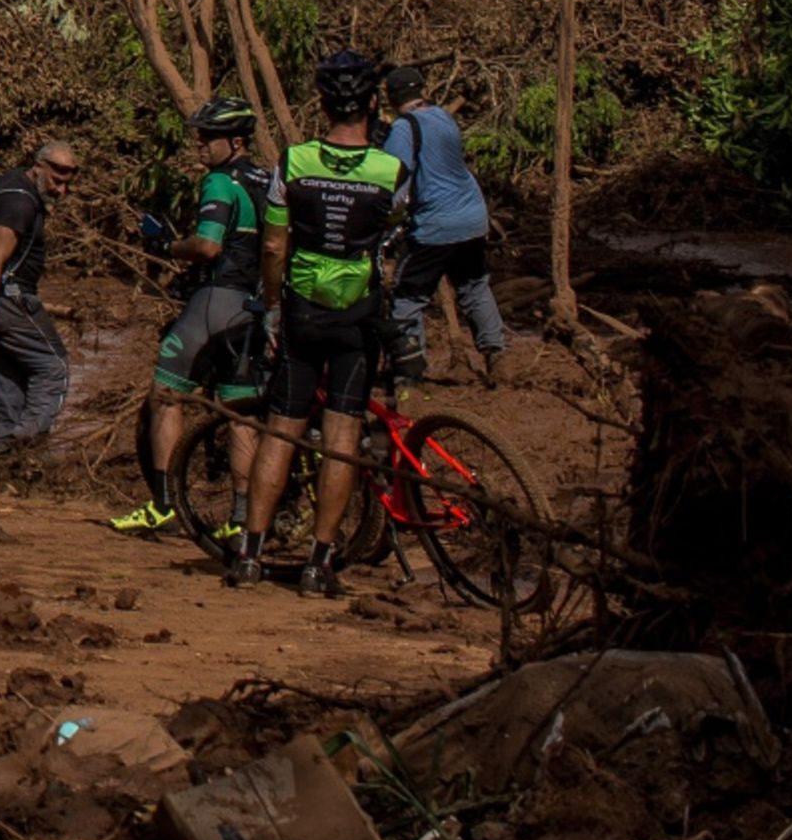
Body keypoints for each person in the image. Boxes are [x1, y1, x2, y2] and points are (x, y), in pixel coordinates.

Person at [234, 55, 409, 598]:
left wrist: (272, 304)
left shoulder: (295, 162)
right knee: (342, 435)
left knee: (282, 428)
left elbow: (272, 244)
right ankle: (318, 564)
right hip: (356, 319)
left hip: (301, 314)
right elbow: (395, 239)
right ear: (374, 105)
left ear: (323, 105)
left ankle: (250, 556)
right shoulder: (391, 172)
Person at [115, 92, 276, 541]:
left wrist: (167, 246)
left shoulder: (221, 183)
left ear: (238, 141)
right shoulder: (267, 180)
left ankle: (165, 505)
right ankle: (242, 518)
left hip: (216, 302)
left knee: (166, 394)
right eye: (199, 135)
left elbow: (207, 246)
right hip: (253, 308)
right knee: (240, 412)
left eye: (210, 136)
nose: (200, 143)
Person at [380, 62, 506, 389]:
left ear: (391, 98)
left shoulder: (404, 129)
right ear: (422, 91)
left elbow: (395, 181)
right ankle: (497, 356)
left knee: (408, 294)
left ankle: (410, 369)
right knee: (474, 285)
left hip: (437, 224)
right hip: (472, 216)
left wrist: (384, 222)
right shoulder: (442, 117)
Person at [0, 141, 79, 451]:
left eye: (67, 183)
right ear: (39, 166)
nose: (61, 191)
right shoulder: (20, 204)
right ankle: (23, 441)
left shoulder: (7, 183)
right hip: (6, 300)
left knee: (6, 377)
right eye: (56, 180)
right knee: (54, 367)